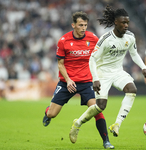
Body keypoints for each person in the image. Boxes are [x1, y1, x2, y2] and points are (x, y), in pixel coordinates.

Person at [69, 6, 146, 143]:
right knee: (100, 106)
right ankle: (77, 123)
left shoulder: (130, 37)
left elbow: (134, 54)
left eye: (127, 23)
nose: (126, 25)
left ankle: (117, 124)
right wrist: (95, 79)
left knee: (132, 90)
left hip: (118, 71)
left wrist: (143, 67)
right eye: (123, 23)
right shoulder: (106, 39)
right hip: (102, 73)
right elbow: (92, 59)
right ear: (116, 23)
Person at [42, 11, 114, 149]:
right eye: (80, 25)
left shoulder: (93, 38)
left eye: (85, 25)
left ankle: (106, 141)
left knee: (97, 109)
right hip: (66, 83)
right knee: (53, 113)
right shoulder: (64, 41)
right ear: (73, 25)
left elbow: (102, 55)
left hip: (87, 82)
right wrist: (68, 80)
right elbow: (60, 64)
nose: (83, 28)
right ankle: (47, 112)